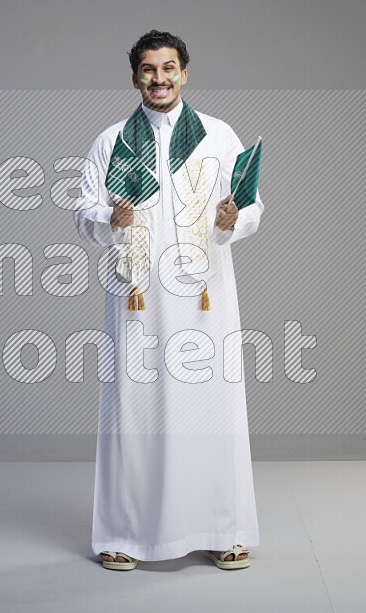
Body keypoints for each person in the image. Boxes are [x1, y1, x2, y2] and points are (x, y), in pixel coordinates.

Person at [72, 30, 263, 570]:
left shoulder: (218, 136)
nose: (160, 78)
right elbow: (82, 215)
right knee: (133, 411)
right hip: (137, 300)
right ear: (135, 77)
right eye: (149, 70)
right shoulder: (111, 142)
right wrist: (110, 219)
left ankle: (220, 529)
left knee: (211, 408)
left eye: (169, 68)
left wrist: (235, 219)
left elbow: (250, 206)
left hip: (204, 299)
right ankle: (124, 534)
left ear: (185, 73)